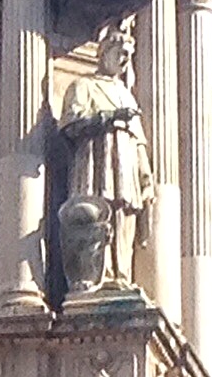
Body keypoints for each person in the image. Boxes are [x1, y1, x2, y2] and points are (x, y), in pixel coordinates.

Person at [61, 22, 155, 289]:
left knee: (124, 213)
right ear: (104, 53)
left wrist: (145, 175)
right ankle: (98, 275)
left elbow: (138, 140)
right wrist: (109, 117)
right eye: (120, 53)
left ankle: (120, 275)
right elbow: (71, 123)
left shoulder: (126, 94)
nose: (124, 60)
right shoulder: (84, 86)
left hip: (125, 164)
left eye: (128, 56)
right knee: (97, 214)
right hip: (97, 160)